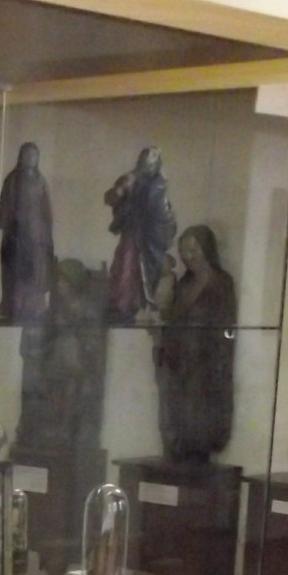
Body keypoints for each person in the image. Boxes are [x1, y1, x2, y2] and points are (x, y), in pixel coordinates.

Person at [152, 224, 238, 463]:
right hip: (180, 355)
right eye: (184, 251)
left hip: (205, 358)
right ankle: (179, 446)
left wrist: (220, 353)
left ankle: (199, 447)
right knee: (177, 405)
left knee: (200, 406)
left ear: (206, 250)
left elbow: (226, 326)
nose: (188, 257)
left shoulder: (221, 283)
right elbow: (170, 315)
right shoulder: (183, 284)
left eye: (193, 250)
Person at [104, 147, 176, 321]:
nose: (147, 165)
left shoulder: (159, 182)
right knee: (125, 265)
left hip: (151, 235)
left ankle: (140, 304)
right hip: (133, 231)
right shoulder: (131, 177)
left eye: (152, 161)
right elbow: (109, 198)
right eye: (145, 160)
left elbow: (160, 210)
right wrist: (122, 189)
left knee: (147, 269)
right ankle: (123, 304)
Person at [0, 141, 53, 324]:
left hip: (36, 232)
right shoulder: (12, 180)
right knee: (16, 271)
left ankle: (34, 306)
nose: (31, 158)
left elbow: (46, 208)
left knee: (36, 271)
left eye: (34, 155)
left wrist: (46, 231)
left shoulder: (40, 180)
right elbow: (6, 206)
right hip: (17, 231)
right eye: (28, 155)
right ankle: (15, 305)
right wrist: (7, 226)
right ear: (21, 157)